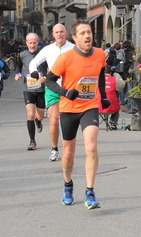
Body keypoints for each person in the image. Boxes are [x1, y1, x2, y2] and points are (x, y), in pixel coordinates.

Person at [43, 19, 109, 209]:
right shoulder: (65, 58)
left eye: (89, 32)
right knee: (69, 152)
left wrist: (103, 96)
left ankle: (90, 191)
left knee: (91, 147)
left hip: (89, 106)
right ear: (75, 37)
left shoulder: (100, 54)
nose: (87, 36)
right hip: (69, 108)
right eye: (82, 33)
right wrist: (65, 93)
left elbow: (101, 75)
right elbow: (49, 81)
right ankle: (68, 185)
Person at [29, 24, 74, 161]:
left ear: (66, 33)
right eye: (57, 32)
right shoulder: (48, 49)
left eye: (61, 32)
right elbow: (34, 63)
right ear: (53, 34)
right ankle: (54, 149)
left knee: (68, 122)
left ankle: (68, 147)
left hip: (68, 88)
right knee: (54, 120)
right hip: (52, 87)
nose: (59, 34)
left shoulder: (73, 48)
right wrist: (34, 73)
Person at [15, 33, 47, 150]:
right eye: (30, 42)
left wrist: (46, 78)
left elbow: (50, 68)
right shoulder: (22, 54)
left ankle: (38, 121)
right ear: (26, 43)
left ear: (38, 42)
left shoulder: (43, 54)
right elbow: (18, 66)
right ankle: (32, 141)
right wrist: (17, 74)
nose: (32, 45)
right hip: (27, 88)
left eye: (34, 42)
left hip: (41, 89)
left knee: (40, 115)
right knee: (30, 114)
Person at [99, 65, 125, 130]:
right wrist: (116, 74)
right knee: (117, 108)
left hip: (98, 108)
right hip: (112, 108)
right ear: (111, 73)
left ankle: (94, 123)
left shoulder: (97, 79)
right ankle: (113, 122)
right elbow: (122, 85)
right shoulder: (114, 80)